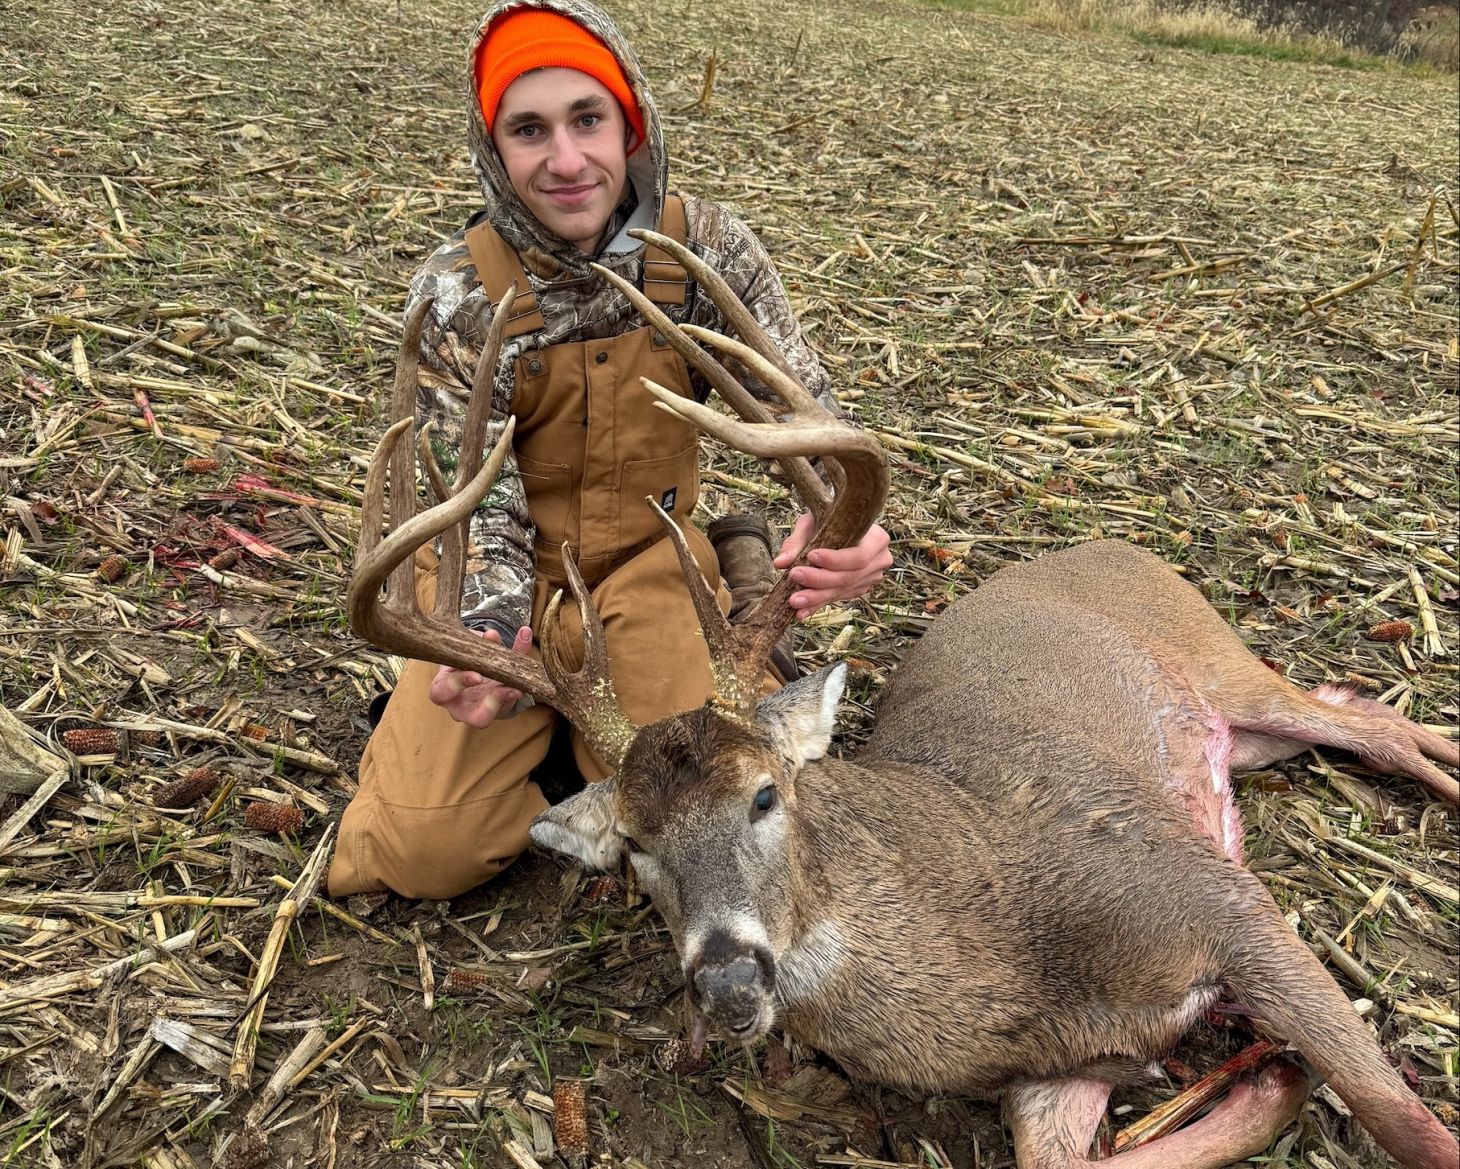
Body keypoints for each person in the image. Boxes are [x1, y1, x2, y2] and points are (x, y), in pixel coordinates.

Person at [328, 0, 891, 900]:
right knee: (418, 854)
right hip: (501, 581)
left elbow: (807, 412)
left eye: (588, 119)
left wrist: (844, 528)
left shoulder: (707, 254)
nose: (565, 160)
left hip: (646, 562)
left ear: (631, 125)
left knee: (700, 790)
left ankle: (731, 568)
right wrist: (486, 637)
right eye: (529, 129)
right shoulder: (457, 294)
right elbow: (468, 508)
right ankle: (553, 744)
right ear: (493, 147)